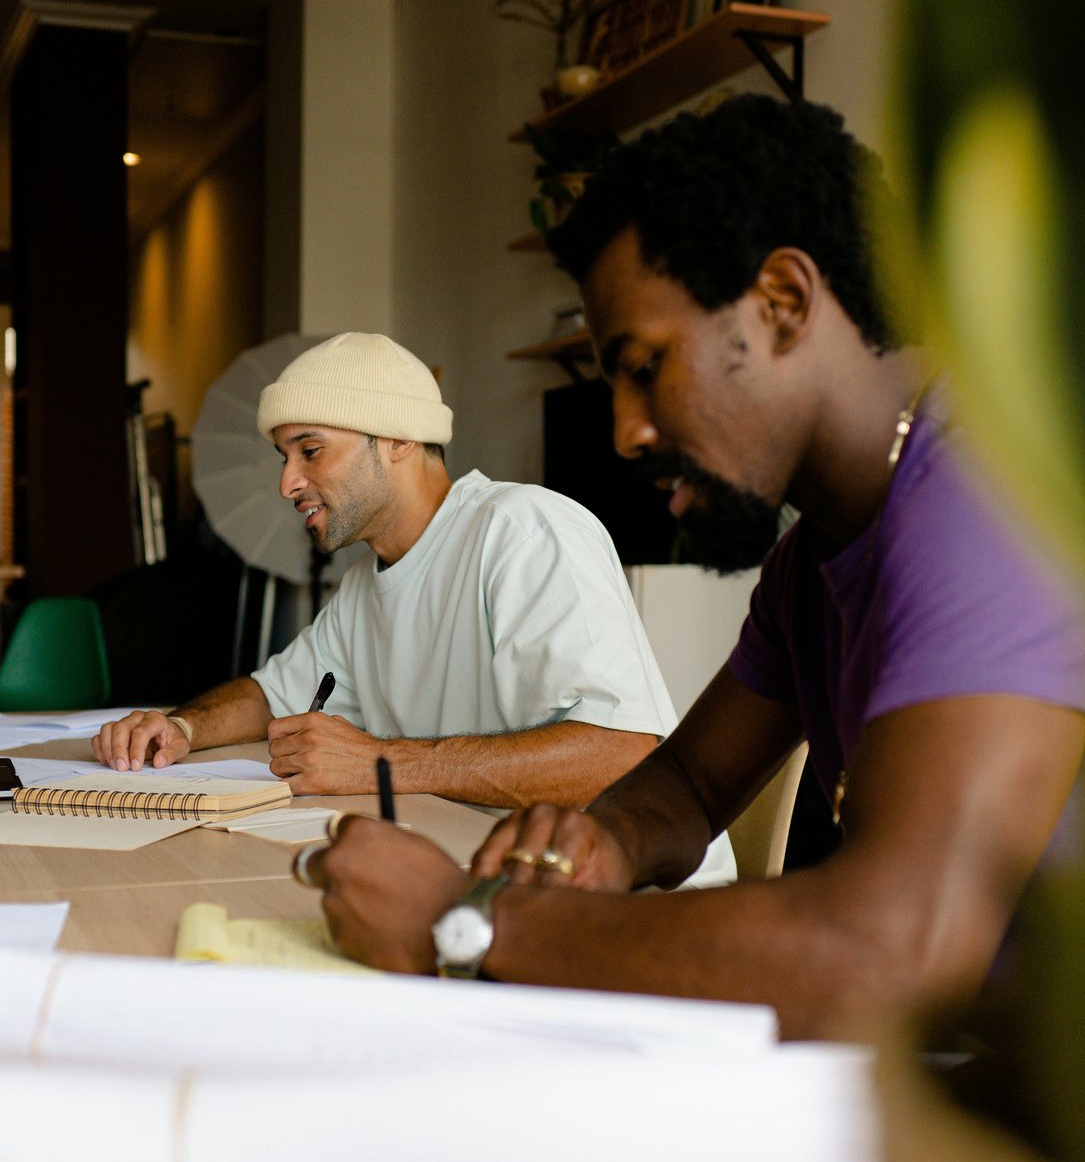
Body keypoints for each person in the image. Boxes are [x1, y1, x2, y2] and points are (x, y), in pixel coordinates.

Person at [308, 97, 1085, 1037]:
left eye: (645, 365)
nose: (624, 431)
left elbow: (893, 951)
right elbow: (687, 784)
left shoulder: (994, 502)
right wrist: (596, 839)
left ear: (782, 301)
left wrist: (475, 920)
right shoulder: (817, 551)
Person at [95, 334, 732, 877]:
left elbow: (620, 755)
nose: (287, 481)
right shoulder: (363, 587)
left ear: (398, 439)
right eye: (284, 456)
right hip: (489, 870)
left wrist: (377, 762)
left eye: (310, 450)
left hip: (630, 897)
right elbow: (270, 695)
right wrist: (180, 728)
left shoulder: (524, 533)